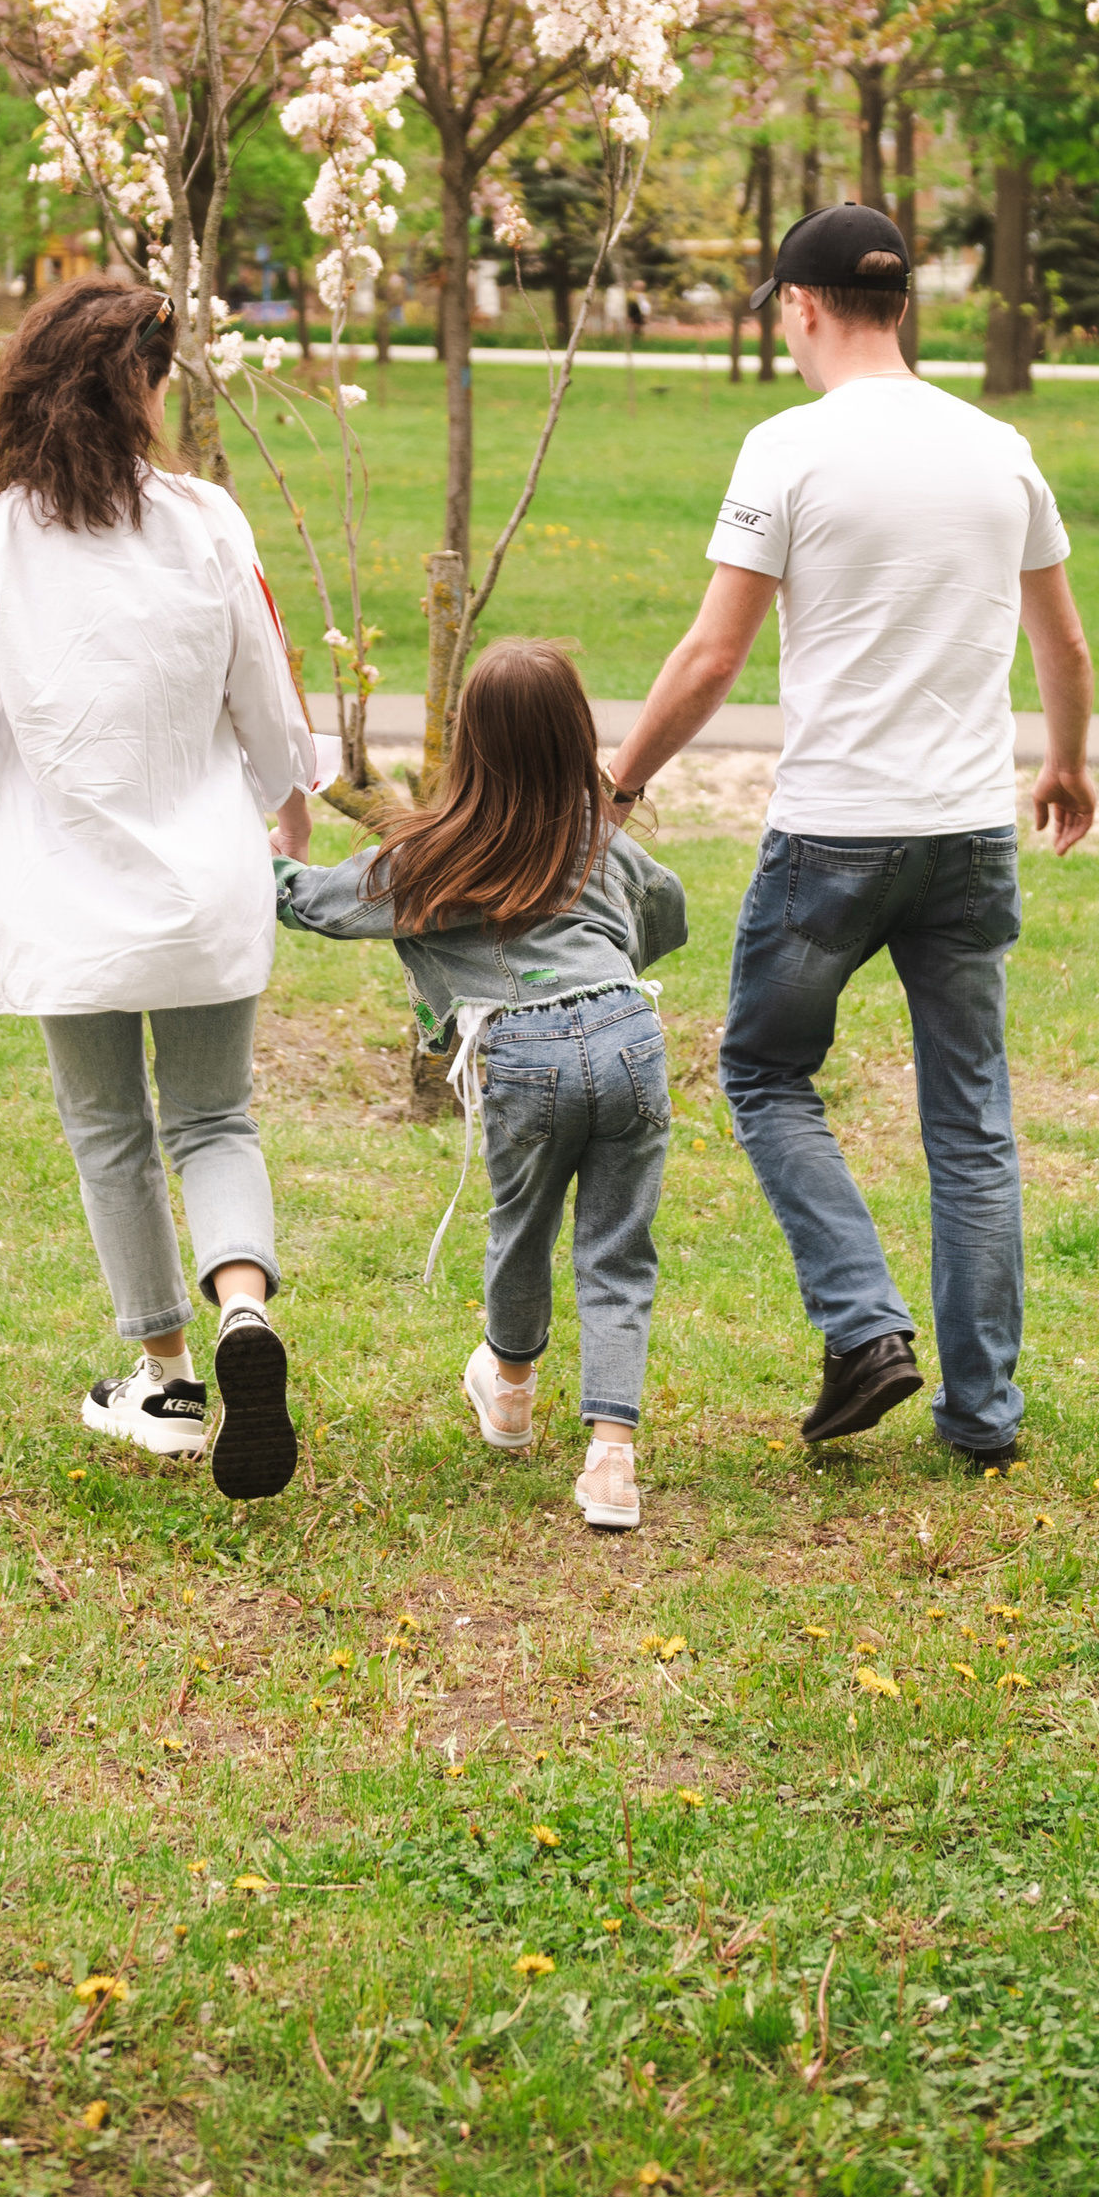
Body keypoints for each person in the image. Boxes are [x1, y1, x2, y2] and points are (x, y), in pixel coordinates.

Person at [602, 202, 1094, 1474]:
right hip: (973, 834)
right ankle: (983, 1415)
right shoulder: (999, 449)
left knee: (765, 1074)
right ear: (900, 308)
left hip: (835, 836)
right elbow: (1065, 644)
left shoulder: (787, 449)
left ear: (800, 307)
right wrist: (1067, 763)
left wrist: (619, 778)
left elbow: (714, 654)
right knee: (971, 1121)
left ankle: (864, 1325)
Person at [0, 278, 318, 1499]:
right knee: (216, 1119)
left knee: (109, 1134)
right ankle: (243, 1310)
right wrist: (288, 803)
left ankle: (168, 1378)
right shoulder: (209, 522)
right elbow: (268, 690)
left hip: (60, 889)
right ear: (150, 387)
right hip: (204, 881)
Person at [272, 640, 685, 1532]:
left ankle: (509, 1389)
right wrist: (611, 968)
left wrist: (253, 860)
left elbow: (313, 900)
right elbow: (669, 905)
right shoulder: (598, 840)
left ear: (472, 744)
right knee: (618, 1251)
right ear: (578, 738)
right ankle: (612, 1462)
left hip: (526, 1053)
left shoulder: (431, 856)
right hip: (630, 1032)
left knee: (522, 1229)